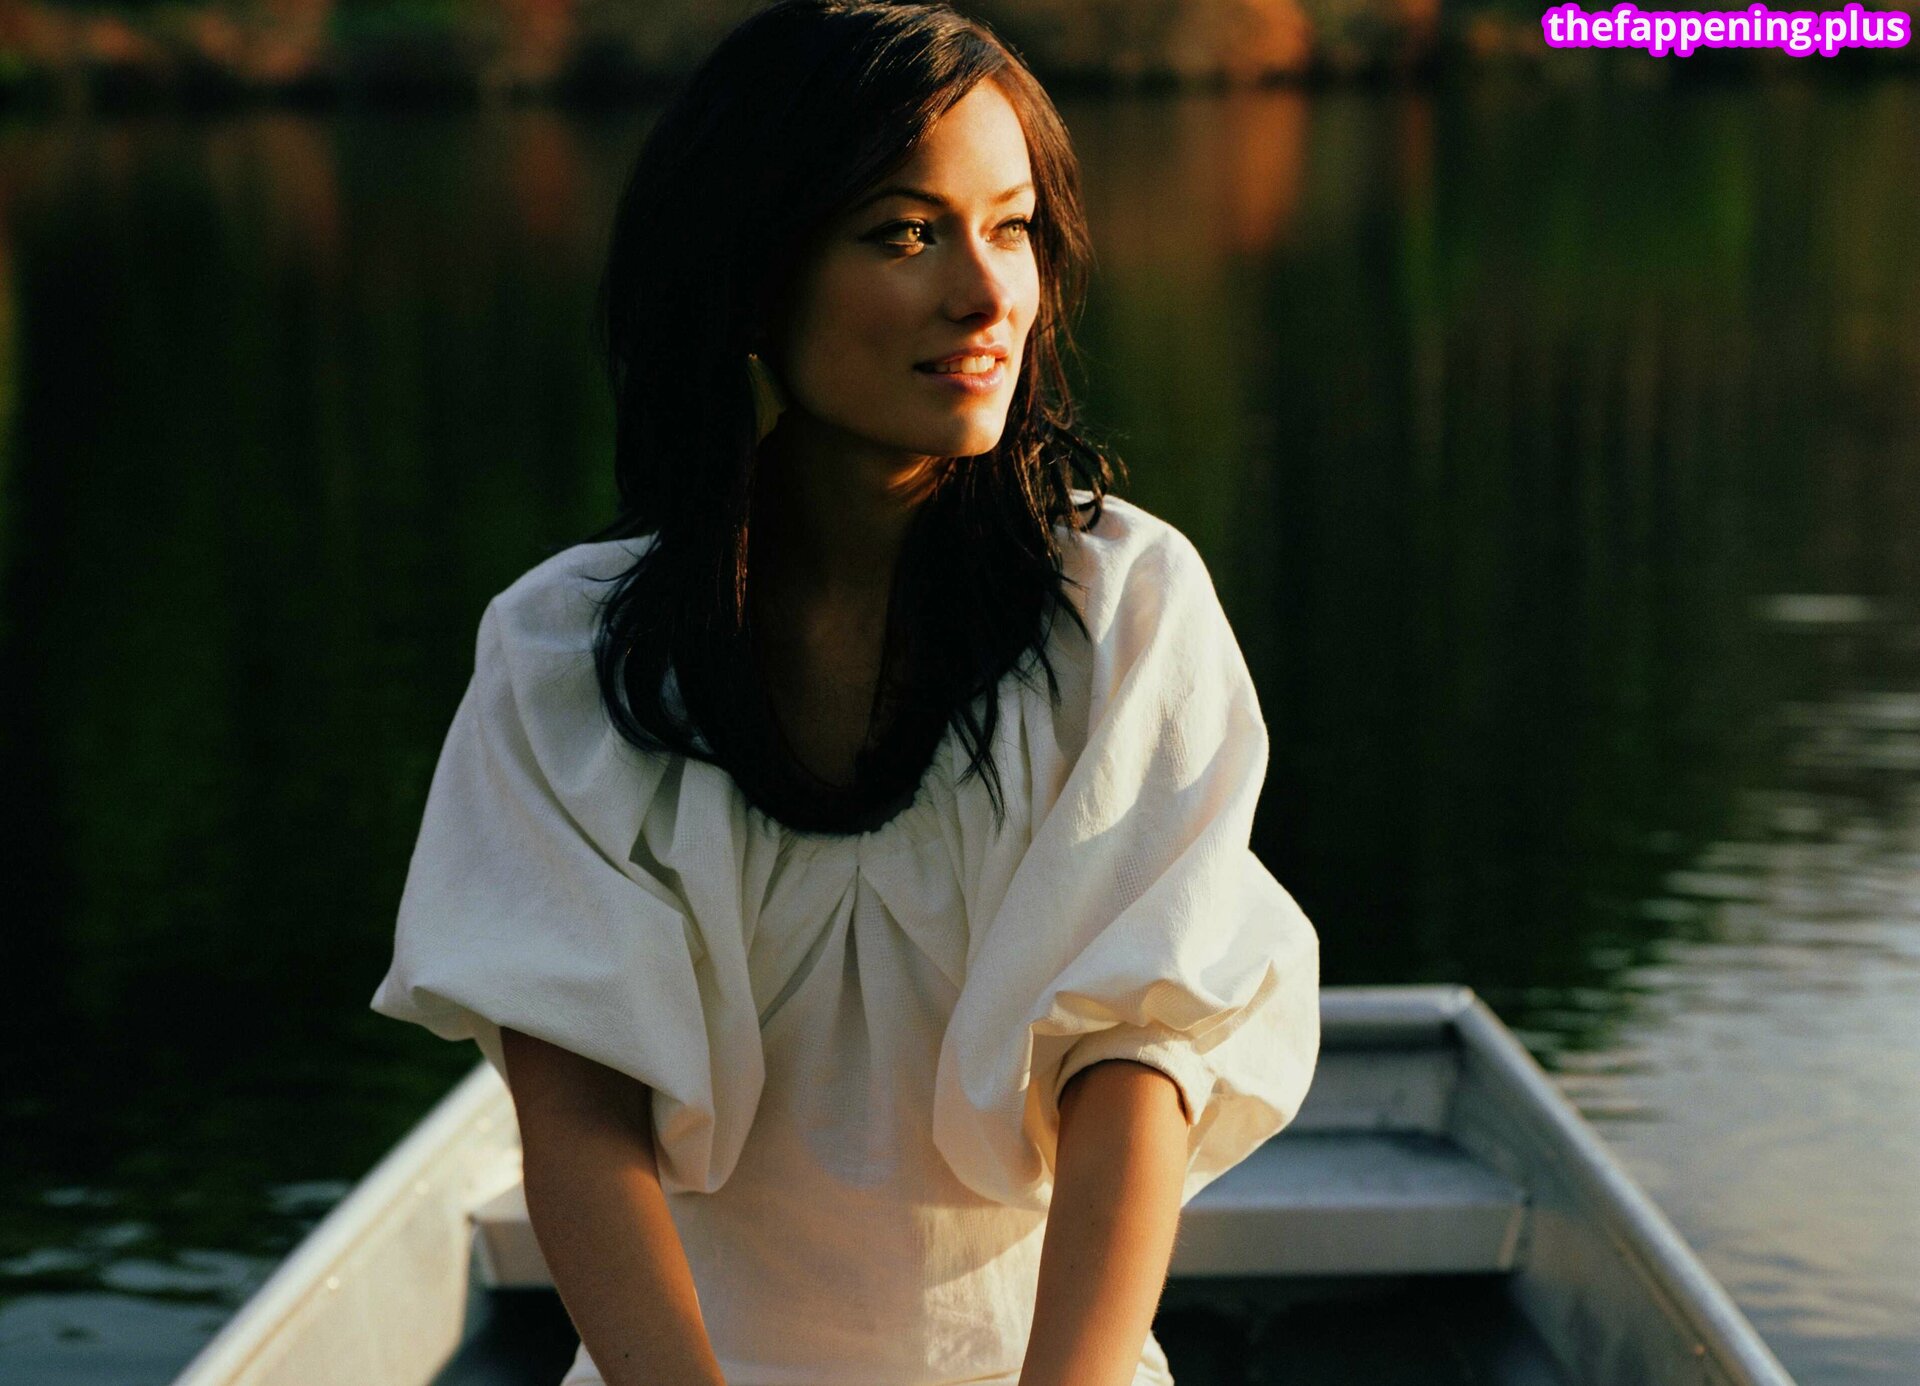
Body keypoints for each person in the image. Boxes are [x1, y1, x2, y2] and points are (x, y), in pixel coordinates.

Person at [368, 2, 1321, 1383]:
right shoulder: (567, 655)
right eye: (905, 234)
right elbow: (577, 1119)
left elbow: (1135, 1064)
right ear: (754, 276)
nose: (987, 295)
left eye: (1012, 228)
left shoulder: (1121, 612)